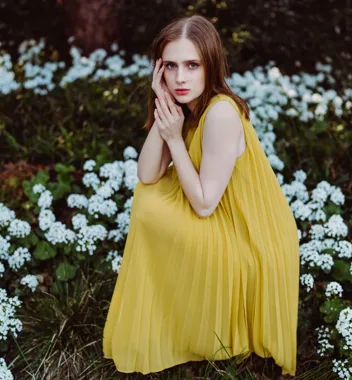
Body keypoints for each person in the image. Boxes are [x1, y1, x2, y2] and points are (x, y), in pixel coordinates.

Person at [102, 14, 300, 376]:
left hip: (248, 236)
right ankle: (172, 314)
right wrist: (163, 108)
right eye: (171, 67)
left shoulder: (221, 113)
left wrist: (175, 139)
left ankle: (186, 323)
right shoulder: (185, 105)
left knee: (151, 210)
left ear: (211, 65)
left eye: (192, 65)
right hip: (221, 216)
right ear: (159, 70)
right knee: (149, 198)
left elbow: (206, 204)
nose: (180, 78)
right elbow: (146, 174)